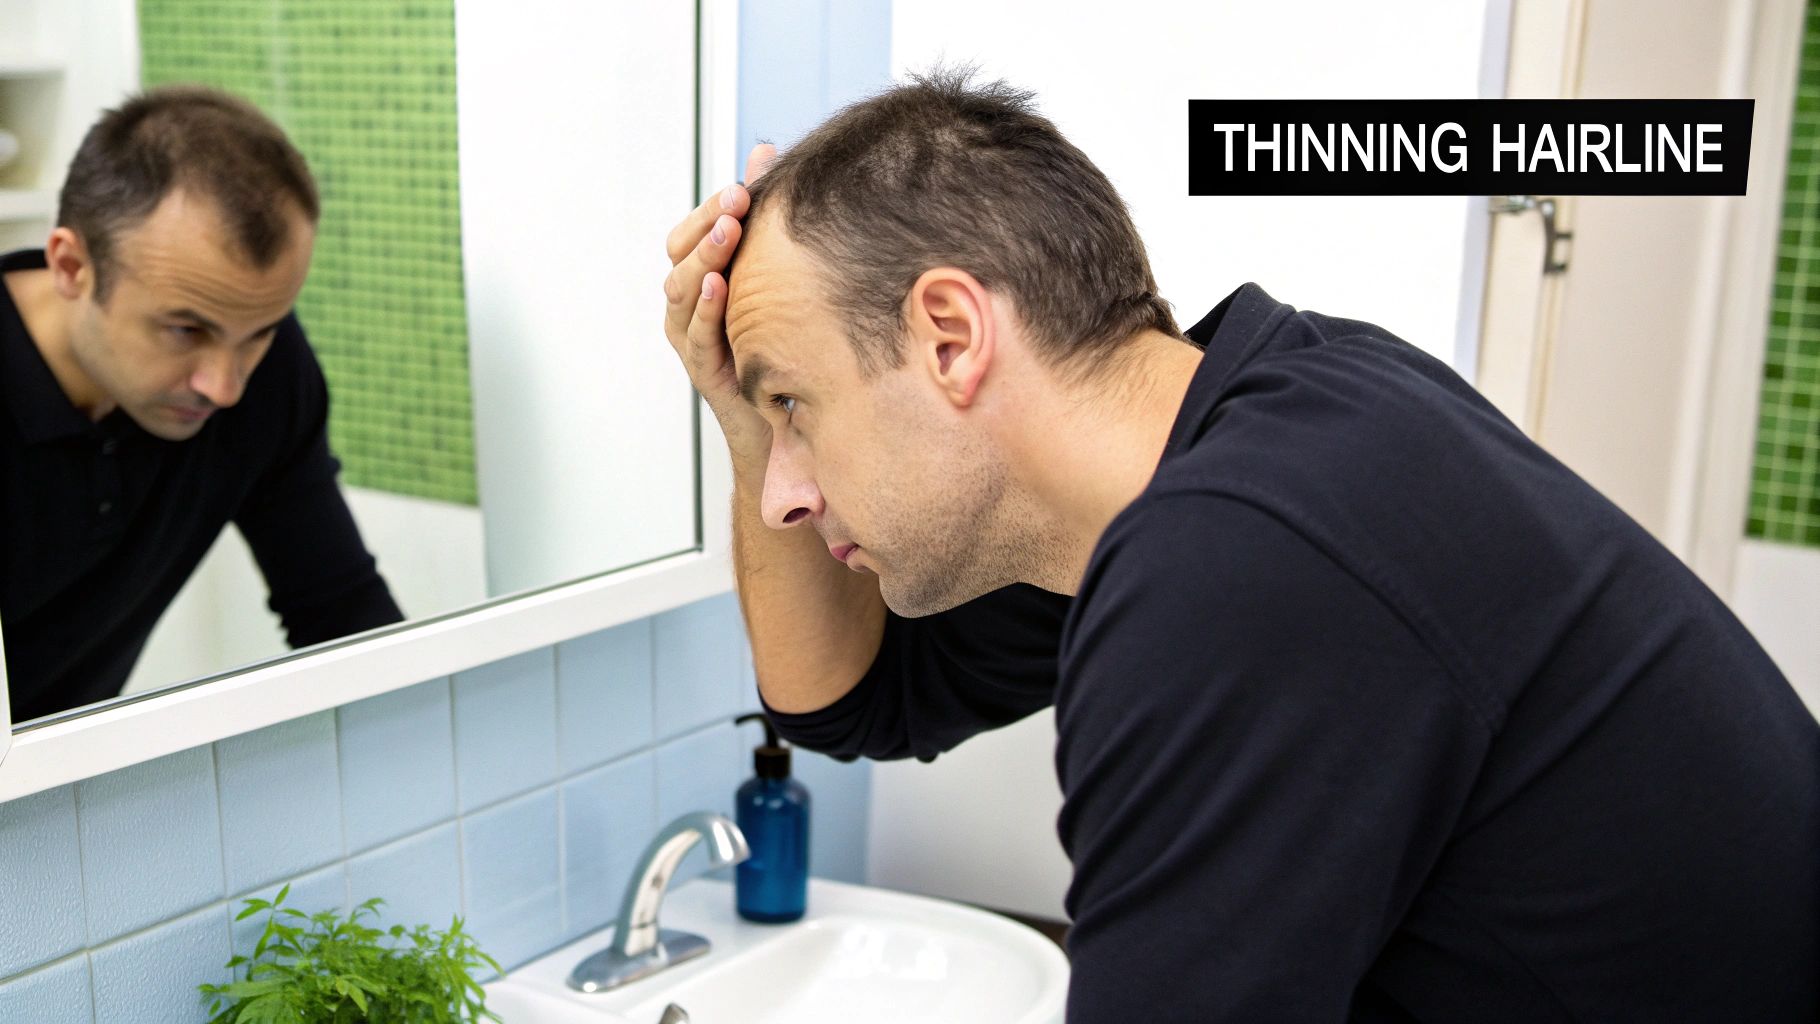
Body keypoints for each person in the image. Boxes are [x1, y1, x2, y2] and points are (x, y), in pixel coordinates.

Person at [660, 70, 1819, 1022]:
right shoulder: (1275, 414)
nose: (782, 497)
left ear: (951, 336)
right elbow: (847, 704)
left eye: (793, 407)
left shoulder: (1235, 561)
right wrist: (739, 398)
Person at [1, 86, 402, 724]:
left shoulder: (263, 372)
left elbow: (342, 616)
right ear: (72, 267)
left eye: (261, 329)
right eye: (186, 330)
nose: (226, 387)